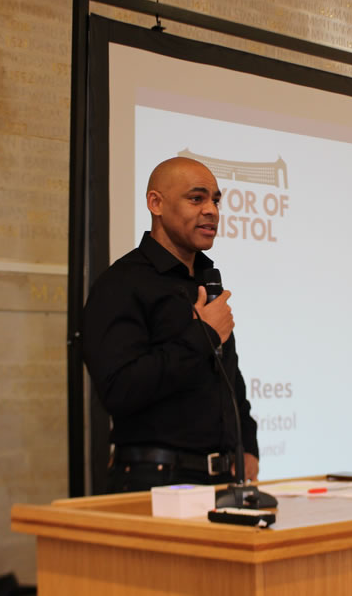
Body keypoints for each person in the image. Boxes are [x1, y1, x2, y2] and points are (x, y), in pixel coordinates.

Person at [81, 156, 260, 493]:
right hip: (155, 482)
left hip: (222, 482)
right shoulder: (121, 284)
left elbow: (227, 376)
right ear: (156, 203)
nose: (212, 210)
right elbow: (119, 389)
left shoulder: (206, 283)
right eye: (197, 198)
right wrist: (202, 334)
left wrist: (247, 442)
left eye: (216, 200)